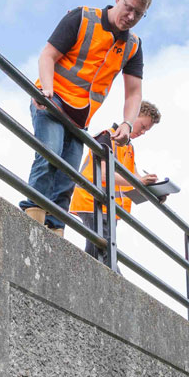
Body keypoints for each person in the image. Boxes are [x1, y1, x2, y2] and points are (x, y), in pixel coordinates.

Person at [19, 0, 153, 238]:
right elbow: (47, 55)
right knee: (49, 154)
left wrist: (127, 122)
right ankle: (31, 216)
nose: (131, 16)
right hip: (52, 99)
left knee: (68, 174)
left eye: (139, 14)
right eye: (129, 8)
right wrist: (46, 90)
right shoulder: (81, 18)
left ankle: (54, 228)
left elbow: (134, 91)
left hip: (80, 115)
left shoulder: (133, 46)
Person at [70, 101, 162, 264]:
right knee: (104, 253)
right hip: (92, 200)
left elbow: (136, 180)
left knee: (99, 252)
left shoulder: (129, 148)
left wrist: (156, 191)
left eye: (147, 130)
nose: (143, 132)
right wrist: (138, 180)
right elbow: (104, 175)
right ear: (133, 115)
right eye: (143, 126)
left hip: (109, 207)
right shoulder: (108, 136)